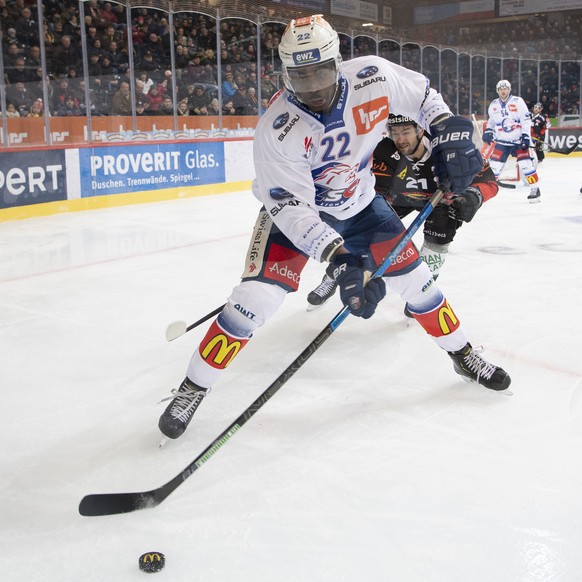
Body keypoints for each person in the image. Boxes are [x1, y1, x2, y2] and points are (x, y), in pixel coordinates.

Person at [158, 14, 511, 442]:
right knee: (253, 302)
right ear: (285, 72)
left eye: (319, 73)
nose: (312, 88)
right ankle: (193, 386)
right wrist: (340, 258)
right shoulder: (277, 127)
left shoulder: (372, 77)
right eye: (299, 77)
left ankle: (463, 353)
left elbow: (423, 95)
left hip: (362, 207)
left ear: (336, 62)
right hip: (296, 218)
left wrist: (444, 127)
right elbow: (291, 208)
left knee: (419, 285)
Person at [307, 114, 499, 309]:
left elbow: (488, 180)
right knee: (365, 231)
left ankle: (424, 285)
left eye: (406, 132)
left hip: (438, 201)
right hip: (398, 199)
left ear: (420, 130)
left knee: (443, 222)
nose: (400, 139)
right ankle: (334, 274)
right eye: (395, 132)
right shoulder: (382, 150)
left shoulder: (445, 148)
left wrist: (474, 195)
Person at [482, 80, 541, 203]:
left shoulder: (518, 102)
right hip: (502, 142)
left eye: (505, 88)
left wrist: (525, 136)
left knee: (526, 165)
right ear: (497, 91)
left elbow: (525, 120)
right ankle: (486, 191)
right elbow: (491, 122)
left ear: (509, 90)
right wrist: (488, 131)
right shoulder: (493, 105)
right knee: (494, 168)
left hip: (518, 141)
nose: (503, 91)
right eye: (500, 89)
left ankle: (535, 189)